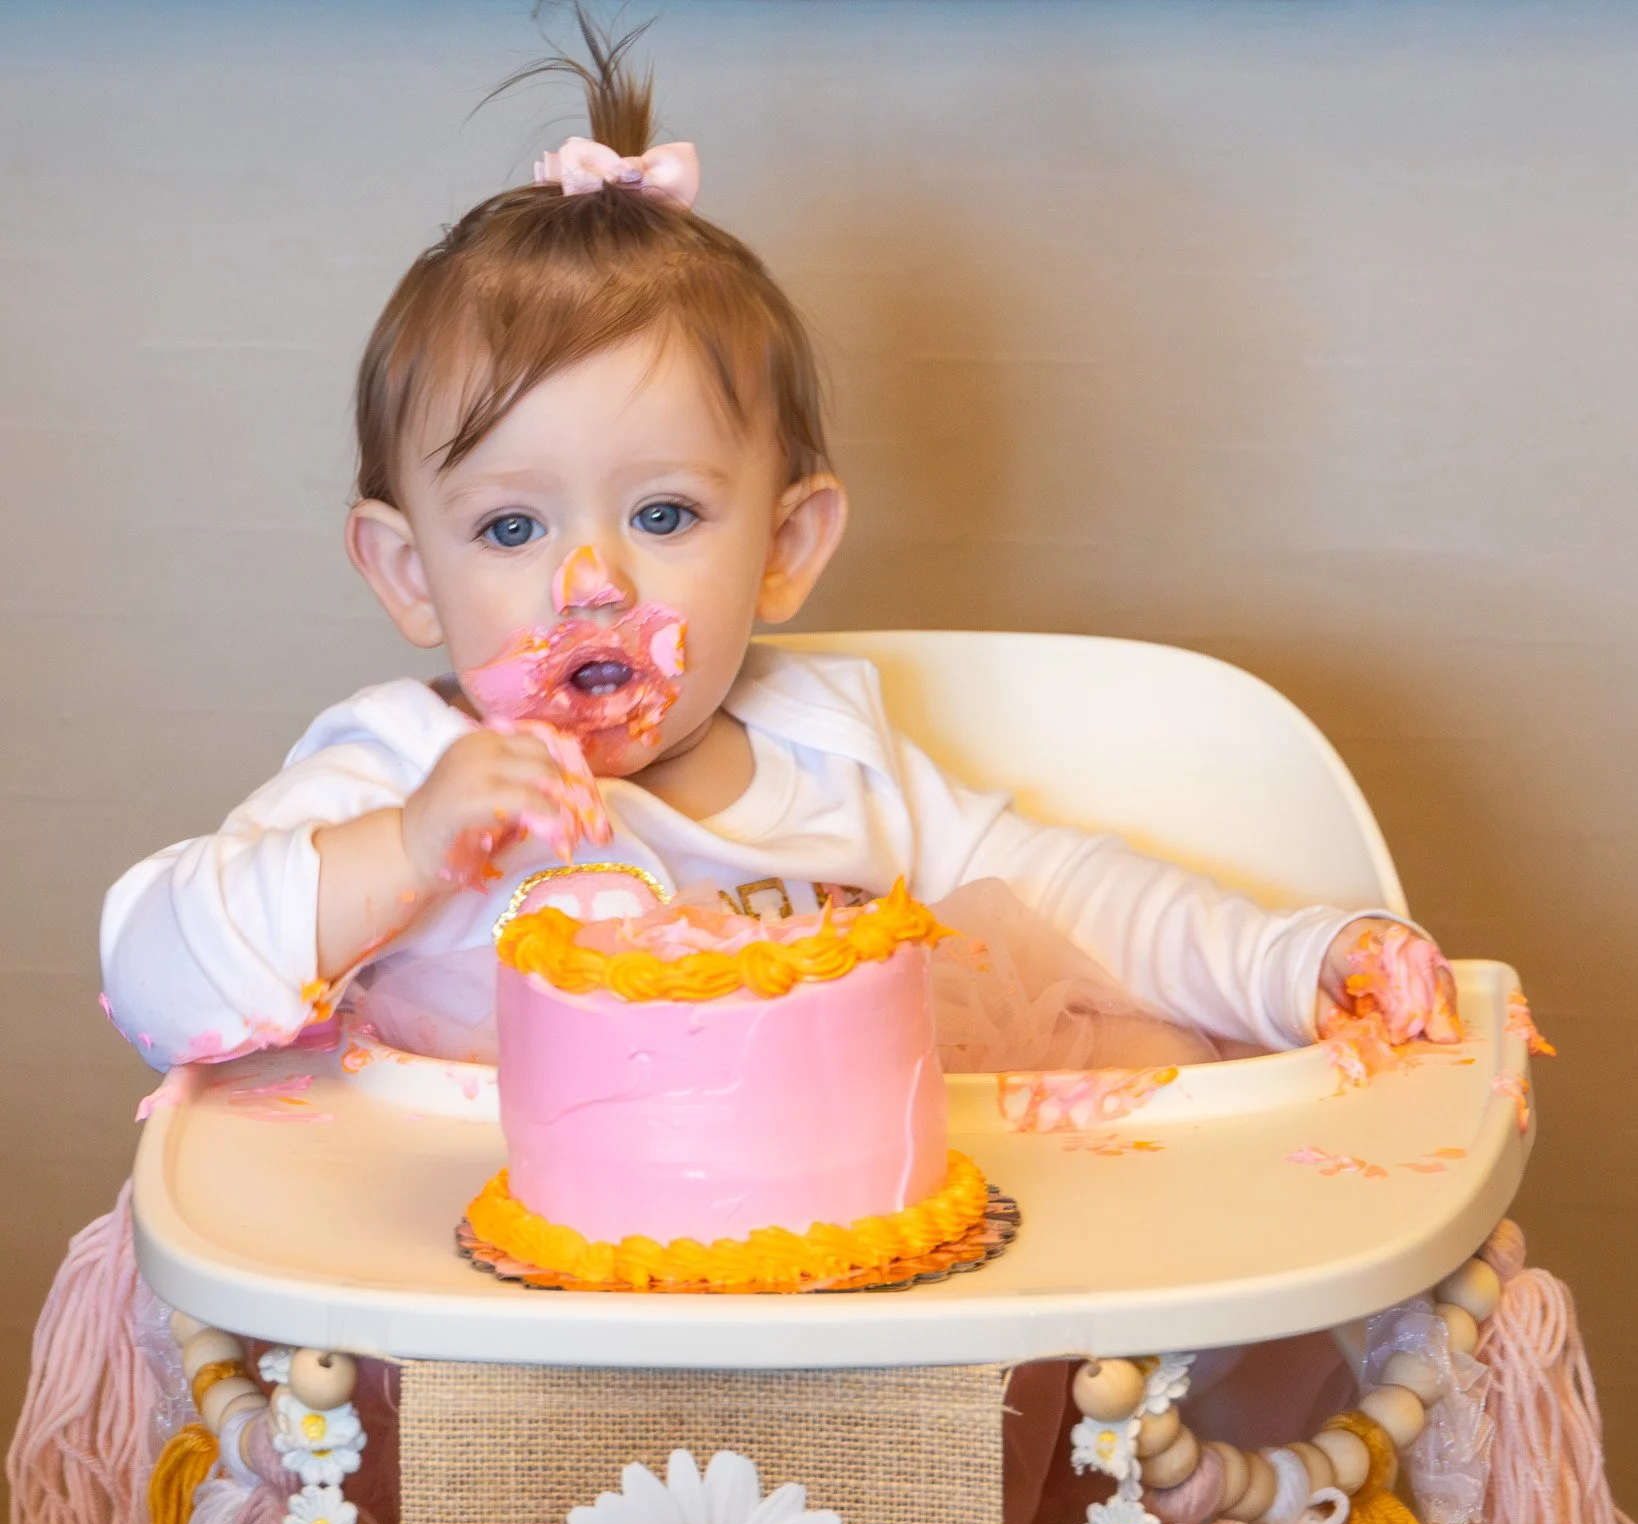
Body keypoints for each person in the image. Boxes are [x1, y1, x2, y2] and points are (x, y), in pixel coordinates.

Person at [98, 28, 1453, 1084]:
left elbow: (1075, 902)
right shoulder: (392, 773)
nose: (593, 585)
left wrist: (1295, 963)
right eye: (512, 528)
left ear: (786, 549)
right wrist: (403, 850)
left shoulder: (834, 762)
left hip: (831, 1311)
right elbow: (160, 981)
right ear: (405, 575)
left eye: (666, 515)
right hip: (499, 1337)